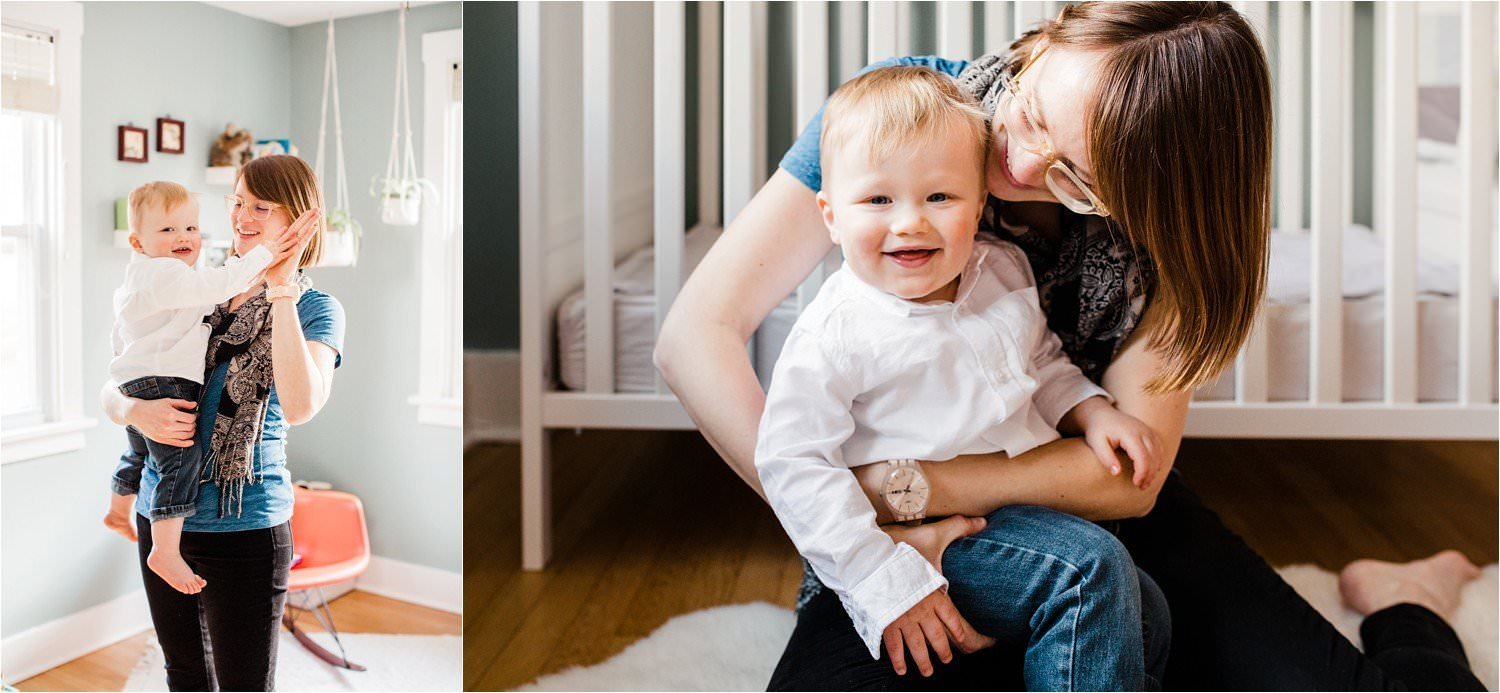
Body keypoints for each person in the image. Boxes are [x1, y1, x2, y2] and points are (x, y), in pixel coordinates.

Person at [654, 2, 1485, 690]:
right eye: (1033, 113)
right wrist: (865, 542)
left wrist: (908, 489)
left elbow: (1124, 481)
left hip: (1084, 509)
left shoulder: (1169, 231)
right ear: (1048, 35)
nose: (1018, 160)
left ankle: (1409, 598)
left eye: (1079, 179)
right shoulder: (906, 120)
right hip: (881, 524)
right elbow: (697, 335)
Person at [754, 64, 1168, 690]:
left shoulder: (1001, 271)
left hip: (1015, 511)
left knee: (1146, 611)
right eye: (877, 200)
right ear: (831, 215)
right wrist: (882, 582)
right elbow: (792, 463)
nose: (910, 222)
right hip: (919, 534)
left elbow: (1044, 364)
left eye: (939, 197)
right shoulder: (836, 333)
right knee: (1086, 572)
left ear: (979, 205)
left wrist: (1093, 411)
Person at [100, 155, 346, 691]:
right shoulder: (194, 285)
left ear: (299, 220)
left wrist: (279, 287)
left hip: (246, 527)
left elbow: (303, 405)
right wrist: (132, 409)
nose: (242, 216)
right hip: (162, 515)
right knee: (185, 674)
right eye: (237, 201)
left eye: (261, 206)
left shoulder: (316, 309)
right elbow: (119, 376)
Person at [104, 181, 305, 596]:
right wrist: (269, 254)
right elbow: (218, 285)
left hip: (140, 377)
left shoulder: (149, 278)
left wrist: (129, 401)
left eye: (191, 228)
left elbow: (119, 345)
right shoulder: (168, 277)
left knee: (139, 451)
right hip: (163, 382)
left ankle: (116, 508)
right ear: (137, 241)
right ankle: (164, 549)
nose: (183, 238)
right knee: (180, 460)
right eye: (168, 230)